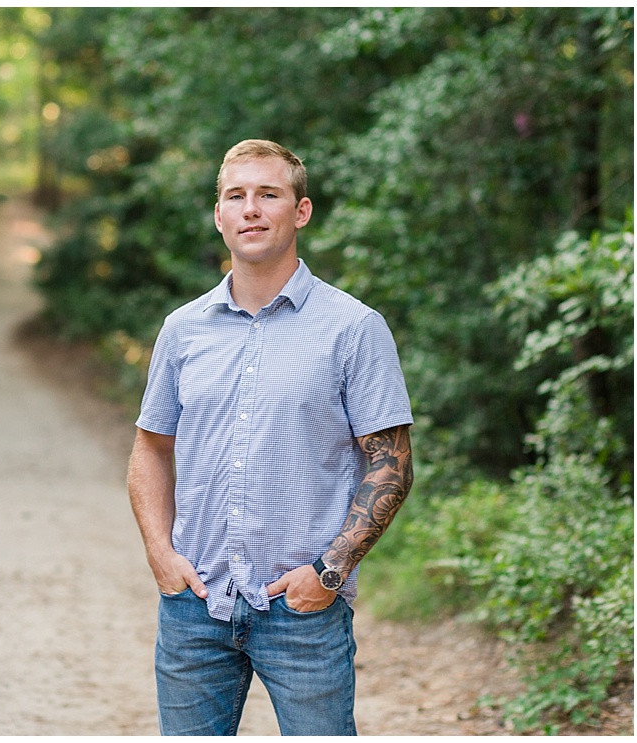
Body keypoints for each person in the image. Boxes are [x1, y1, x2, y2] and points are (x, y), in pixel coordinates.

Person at [127, 139, 414, 735]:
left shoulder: (354, 329)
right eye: (236, 196)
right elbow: (151, 448)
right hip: (194, 606)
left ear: (300, 212)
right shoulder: (183, 330)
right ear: (219, 216)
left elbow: (390, 466)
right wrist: (161, 554)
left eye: (268, 194)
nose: (251, 209)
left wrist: (328, 573)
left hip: (303, 611)